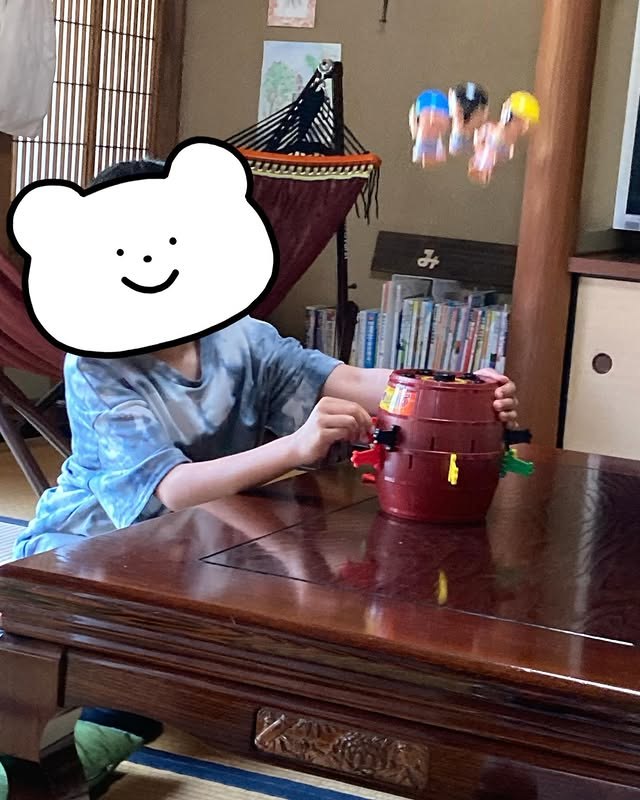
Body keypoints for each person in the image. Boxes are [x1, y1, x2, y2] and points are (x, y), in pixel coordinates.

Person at [10, 156, 519, 783]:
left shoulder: (241, 337)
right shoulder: (95, 364)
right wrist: (294, 448)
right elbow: (168, 490)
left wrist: (460, 387)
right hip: (90, 551)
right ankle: (67, 752)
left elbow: (351, 381)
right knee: (132, 679)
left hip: (206, 548)